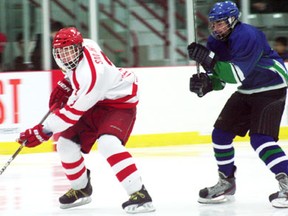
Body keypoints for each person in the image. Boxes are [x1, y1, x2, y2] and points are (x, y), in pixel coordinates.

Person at [17, 27, 155, 214]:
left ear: (79, 49)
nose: (66, 57)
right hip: (97, 99)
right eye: (61, 52)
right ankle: (81, 188)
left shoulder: (91, 78)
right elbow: (75, 74)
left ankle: (140, 194)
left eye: (70, 51)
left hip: (119, 103)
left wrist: (42, 131)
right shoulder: (87, 43)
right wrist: (67, 82)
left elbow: (70, 115)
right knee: (65, 145)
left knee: (108, 144)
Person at [187, 1, 288, 208]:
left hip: (271, 86)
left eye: (221, 24)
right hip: (247, 89)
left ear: (233, 20)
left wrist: (210, 60)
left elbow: (235, 74)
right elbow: (221, 79)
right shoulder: (215, 42)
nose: (216, 28)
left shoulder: (247, 35)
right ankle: (227, 183)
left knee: (260, 139)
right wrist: (207, 83)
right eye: (214, 24)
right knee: (220, 134)